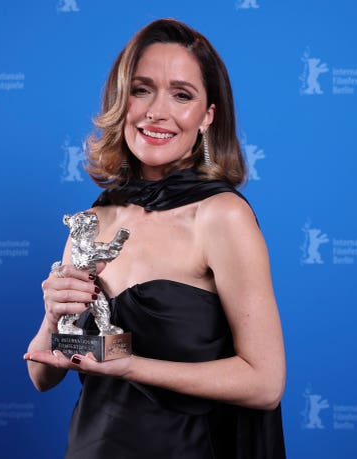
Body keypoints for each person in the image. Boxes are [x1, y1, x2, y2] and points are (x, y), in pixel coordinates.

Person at [24, 18, 286, 458]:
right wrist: (53, 319)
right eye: (141, 89)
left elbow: (265, 383)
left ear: (207, 117)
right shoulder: (95, 218)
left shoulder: (221, 217)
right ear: (120, 100)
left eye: (181, 95)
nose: (156, 112)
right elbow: (42, 375)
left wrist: (131, 367)